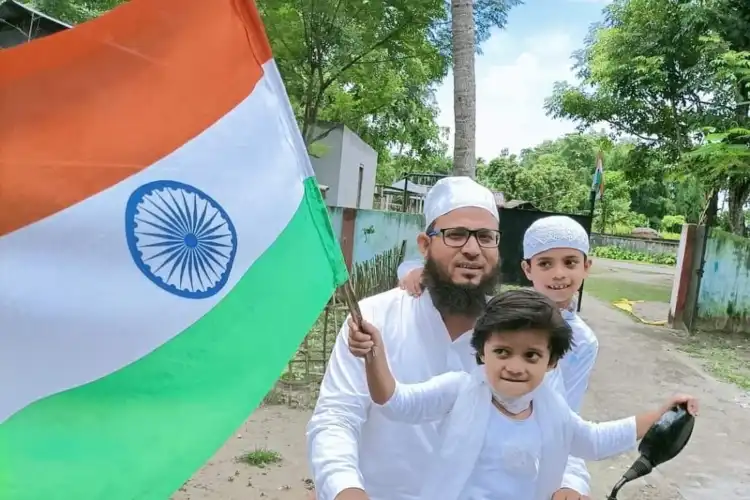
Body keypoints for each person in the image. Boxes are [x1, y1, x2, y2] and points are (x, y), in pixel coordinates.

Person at [347, 288, 700, 500]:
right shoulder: (459, 390)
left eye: (531, 355)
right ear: (482, 351)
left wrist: (658, 415)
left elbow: (592, 440)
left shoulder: (549, 408)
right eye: (503, 352)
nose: (515, 366)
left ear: (551, 362)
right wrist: (374, 356)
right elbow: (395, 402)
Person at [306, 176, 502, 500]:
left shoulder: (515, 335)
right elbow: (336, 418)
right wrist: (344, 489)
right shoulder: (373, 318)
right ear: (425, 245)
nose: (472, 249)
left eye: (485, 237)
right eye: (455, 235)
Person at [396, 214, 598, 499]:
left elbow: (568, 416)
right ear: (527, 269)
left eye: (570, 262)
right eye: (545, 263)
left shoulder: (584, 342)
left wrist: (572, 480)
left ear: (586, 267)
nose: (558, 274)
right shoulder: (503, 314)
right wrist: (416, 270)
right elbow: (445, 278)